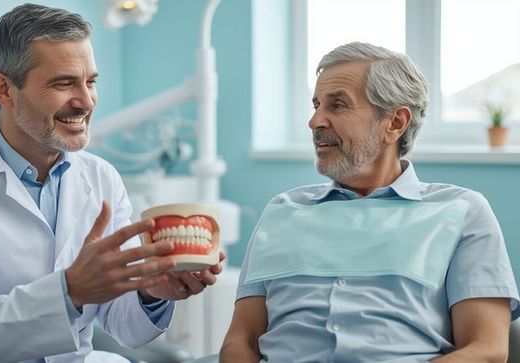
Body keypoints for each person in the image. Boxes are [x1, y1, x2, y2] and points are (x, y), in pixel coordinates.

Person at [0, 4, 223, 362]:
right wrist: (69, 291)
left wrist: (151, 293)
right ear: (4, 89)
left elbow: (122, 325)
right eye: (63, 83)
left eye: (91, 81)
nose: (86, 101)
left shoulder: (101, 177)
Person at [220, 42, 519, 362]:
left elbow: (486, 350)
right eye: (316, 104)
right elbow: (242, 341)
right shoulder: (283, 210)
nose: (315, 121)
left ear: (395, 123)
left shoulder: (462, 211)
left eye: (337, 105)